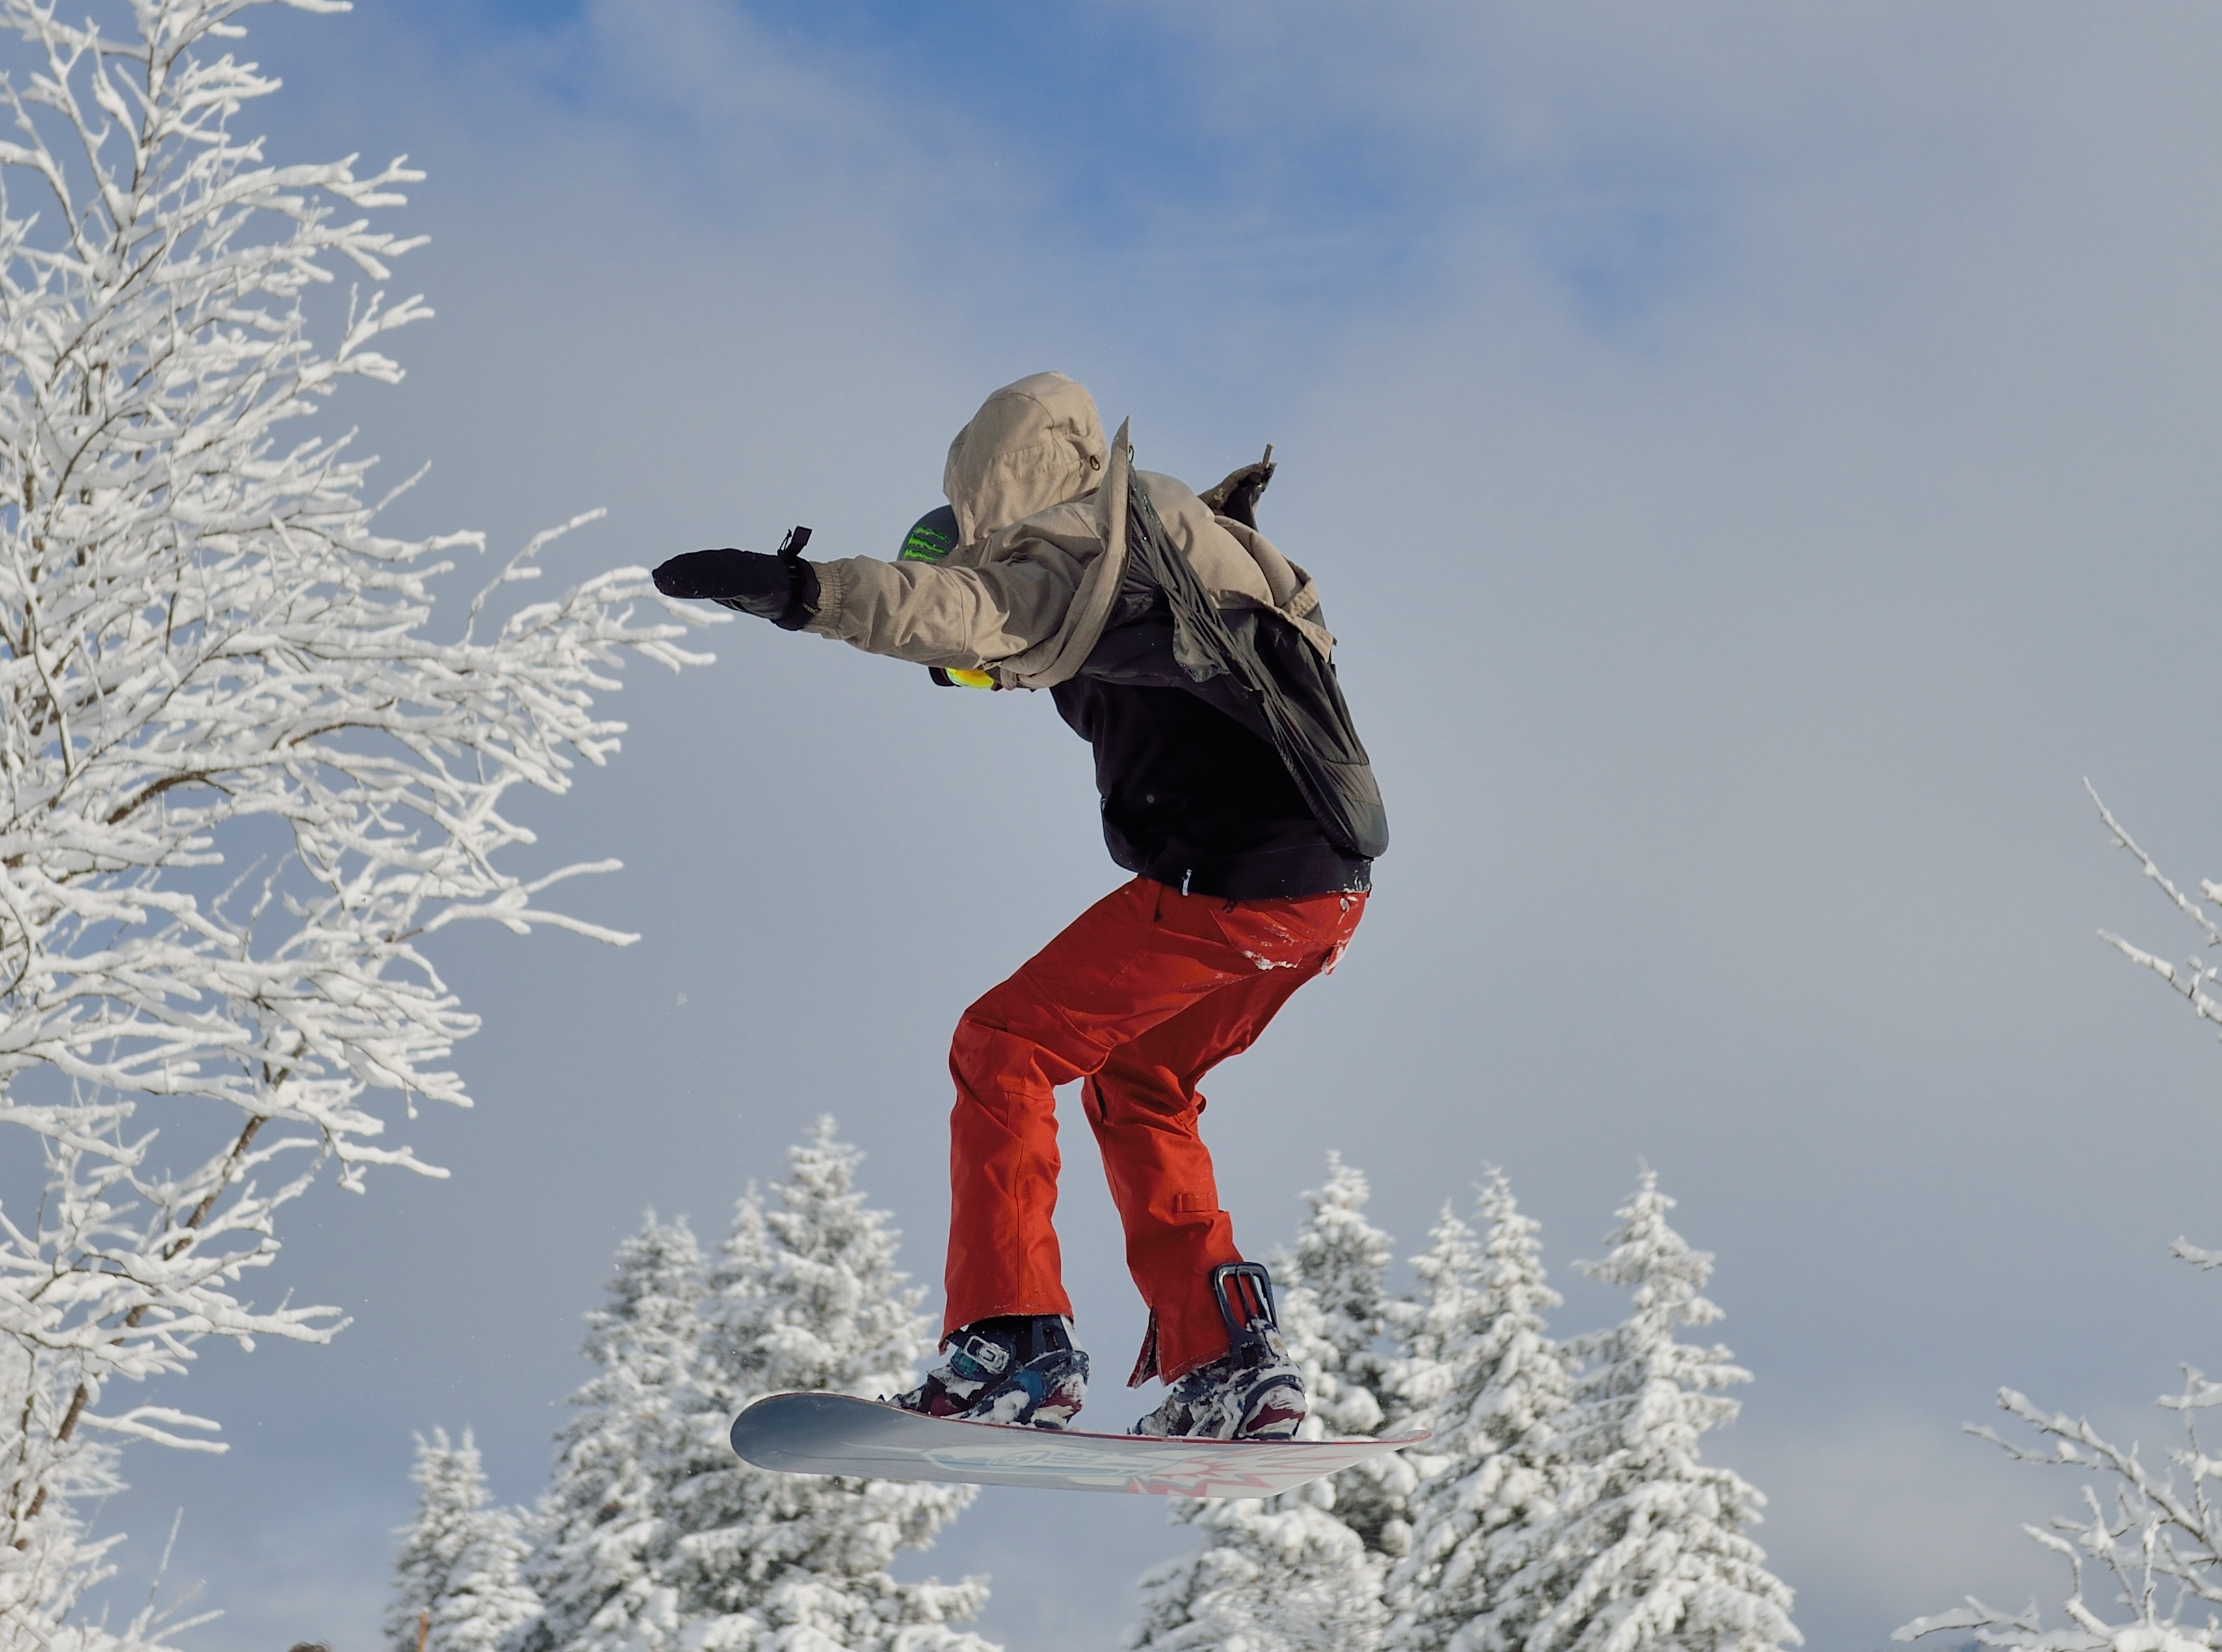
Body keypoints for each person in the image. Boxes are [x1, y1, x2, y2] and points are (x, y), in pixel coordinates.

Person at [652, 373, 1387, 1439]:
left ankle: (1013, 1342)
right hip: (1322, 892)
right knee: (1139, 1083)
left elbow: (969, 610)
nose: (981, 680)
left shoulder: (1073, 548)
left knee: (1001, 1045)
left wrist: (805, 593)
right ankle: (1229, 1360)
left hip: (1229, 883)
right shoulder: (1160, 533)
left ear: (985, 533)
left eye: (967, 671)